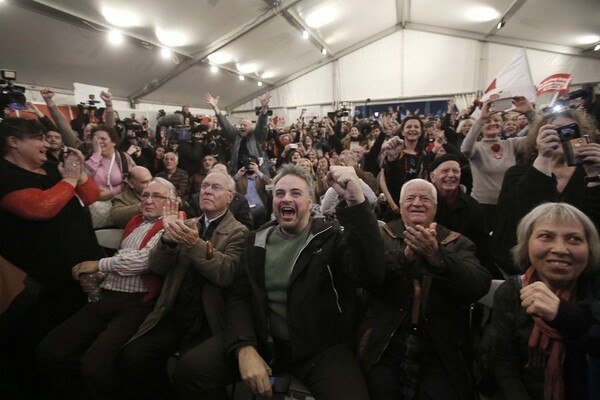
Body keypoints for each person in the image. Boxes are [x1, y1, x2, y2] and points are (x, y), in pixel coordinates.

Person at [175, 164, 385, 399]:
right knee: (190, 371)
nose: (287, 199)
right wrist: (244, 348)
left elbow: (371, 274)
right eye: (280, 193)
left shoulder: (332, 237)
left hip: (321, 350)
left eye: (296, 193)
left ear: (310, 201)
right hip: (265, 343)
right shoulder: (255, 241)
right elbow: (240, 296)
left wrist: (357, 205)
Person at [37, 178, 176, 399]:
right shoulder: (136, 222)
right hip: (107, 295)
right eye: (145, 195)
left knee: (95, 365)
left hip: (137, 302)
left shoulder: (174, 225)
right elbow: (124, 258)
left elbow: (145, 261)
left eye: (156, 196)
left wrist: (99, 264)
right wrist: (101, 274)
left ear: (172, 202)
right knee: (51, 350)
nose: (148, 200)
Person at [119, 170, 248, 400]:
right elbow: (157, 267)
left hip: (207, 318)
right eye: (205, 185)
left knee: (190, 371)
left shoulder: (239, 232)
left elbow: (226, 273)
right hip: (174, 312)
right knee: (132, 356)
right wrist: (167, 239)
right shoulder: (184, 223)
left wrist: (194, 244)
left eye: (216, 187)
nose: (207, 190)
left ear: (230, 197)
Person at [358, 178, 491, 400]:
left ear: (436, 207)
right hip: (385, 342)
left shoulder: (457, 242)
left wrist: (438, 258)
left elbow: (478, 283)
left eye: (425, 198)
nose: (417, 203)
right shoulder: (381, 237)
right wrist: (403, 257)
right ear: (400, 207)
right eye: (410, 198)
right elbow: (365, 276)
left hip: (440, 346)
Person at [0, 118, 104, 399]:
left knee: (75, 344)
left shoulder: (49, 166)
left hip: (77, 273)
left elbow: (92, 195)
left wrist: (79, 173)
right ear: (13, 142)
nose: (47, 144)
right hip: (38, 285)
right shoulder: (6, 174)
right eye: (38, 138)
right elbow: (40, 207)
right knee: (36, 347)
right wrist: (69, 178)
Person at [490, 202, 600, 400]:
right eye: (546, 236)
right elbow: (503, 365)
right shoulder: (511, 292)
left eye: (574, 239)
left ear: (589, 249)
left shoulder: (595, 288)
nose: (560, 249)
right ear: (526, 245)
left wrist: (562, 314)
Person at [492, 108, 600, 276]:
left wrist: (594, 177)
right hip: (525, 267)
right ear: (537, 139)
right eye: (553, 131)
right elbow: (518, 217)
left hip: (580, 270)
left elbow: (593, 224)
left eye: (571, 131)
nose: (563, 136)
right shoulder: (519, 173)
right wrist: (543, 158)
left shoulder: (588, 174)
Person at [460, 97, 532, 229]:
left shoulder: (511, 144)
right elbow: (465, 149)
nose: (492, 123)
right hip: (482, 206)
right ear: (481, 128)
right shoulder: (476, 147)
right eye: (488, 121)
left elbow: (539, 137)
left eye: (496, 120)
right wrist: (481, 119)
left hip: (508, 204)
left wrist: (530, 113)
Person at [427, 153, 499, 277]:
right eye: (445, 171)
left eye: (455, 171)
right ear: (433, 176)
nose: (451, 175)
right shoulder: (422, 202)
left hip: (461, 269)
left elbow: (481, 249)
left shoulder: (474, 208)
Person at [204, 91, 271, 176]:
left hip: (257, 172)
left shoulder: (256, 136)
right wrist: (215, 107)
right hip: (238, 172)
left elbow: (262, 125)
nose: (242, 127)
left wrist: (264, 109)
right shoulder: (235, 135)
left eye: (245, 125)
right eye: (241, 125)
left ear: (251, 127)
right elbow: (225, 125)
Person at [380, 116, 428, 220]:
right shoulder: (394, 152)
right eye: (409, 126)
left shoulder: (423, 154)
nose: (412, 129)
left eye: (416, 127)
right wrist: (394, 206)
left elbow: (424, 178)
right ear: (402, 131)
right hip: (395, 202)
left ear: (420, 132)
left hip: (415, 202)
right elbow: (383, 180)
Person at [234, 154, 272, 229]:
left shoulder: (262, 178)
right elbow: (230, 188)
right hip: (246, 209)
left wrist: (258, 172)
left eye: (253, 164)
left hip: (261, 210)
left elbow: (271, 187)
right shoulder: (240, 179)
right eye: (248, 164)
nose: (250, 166)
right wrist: (238, 175)